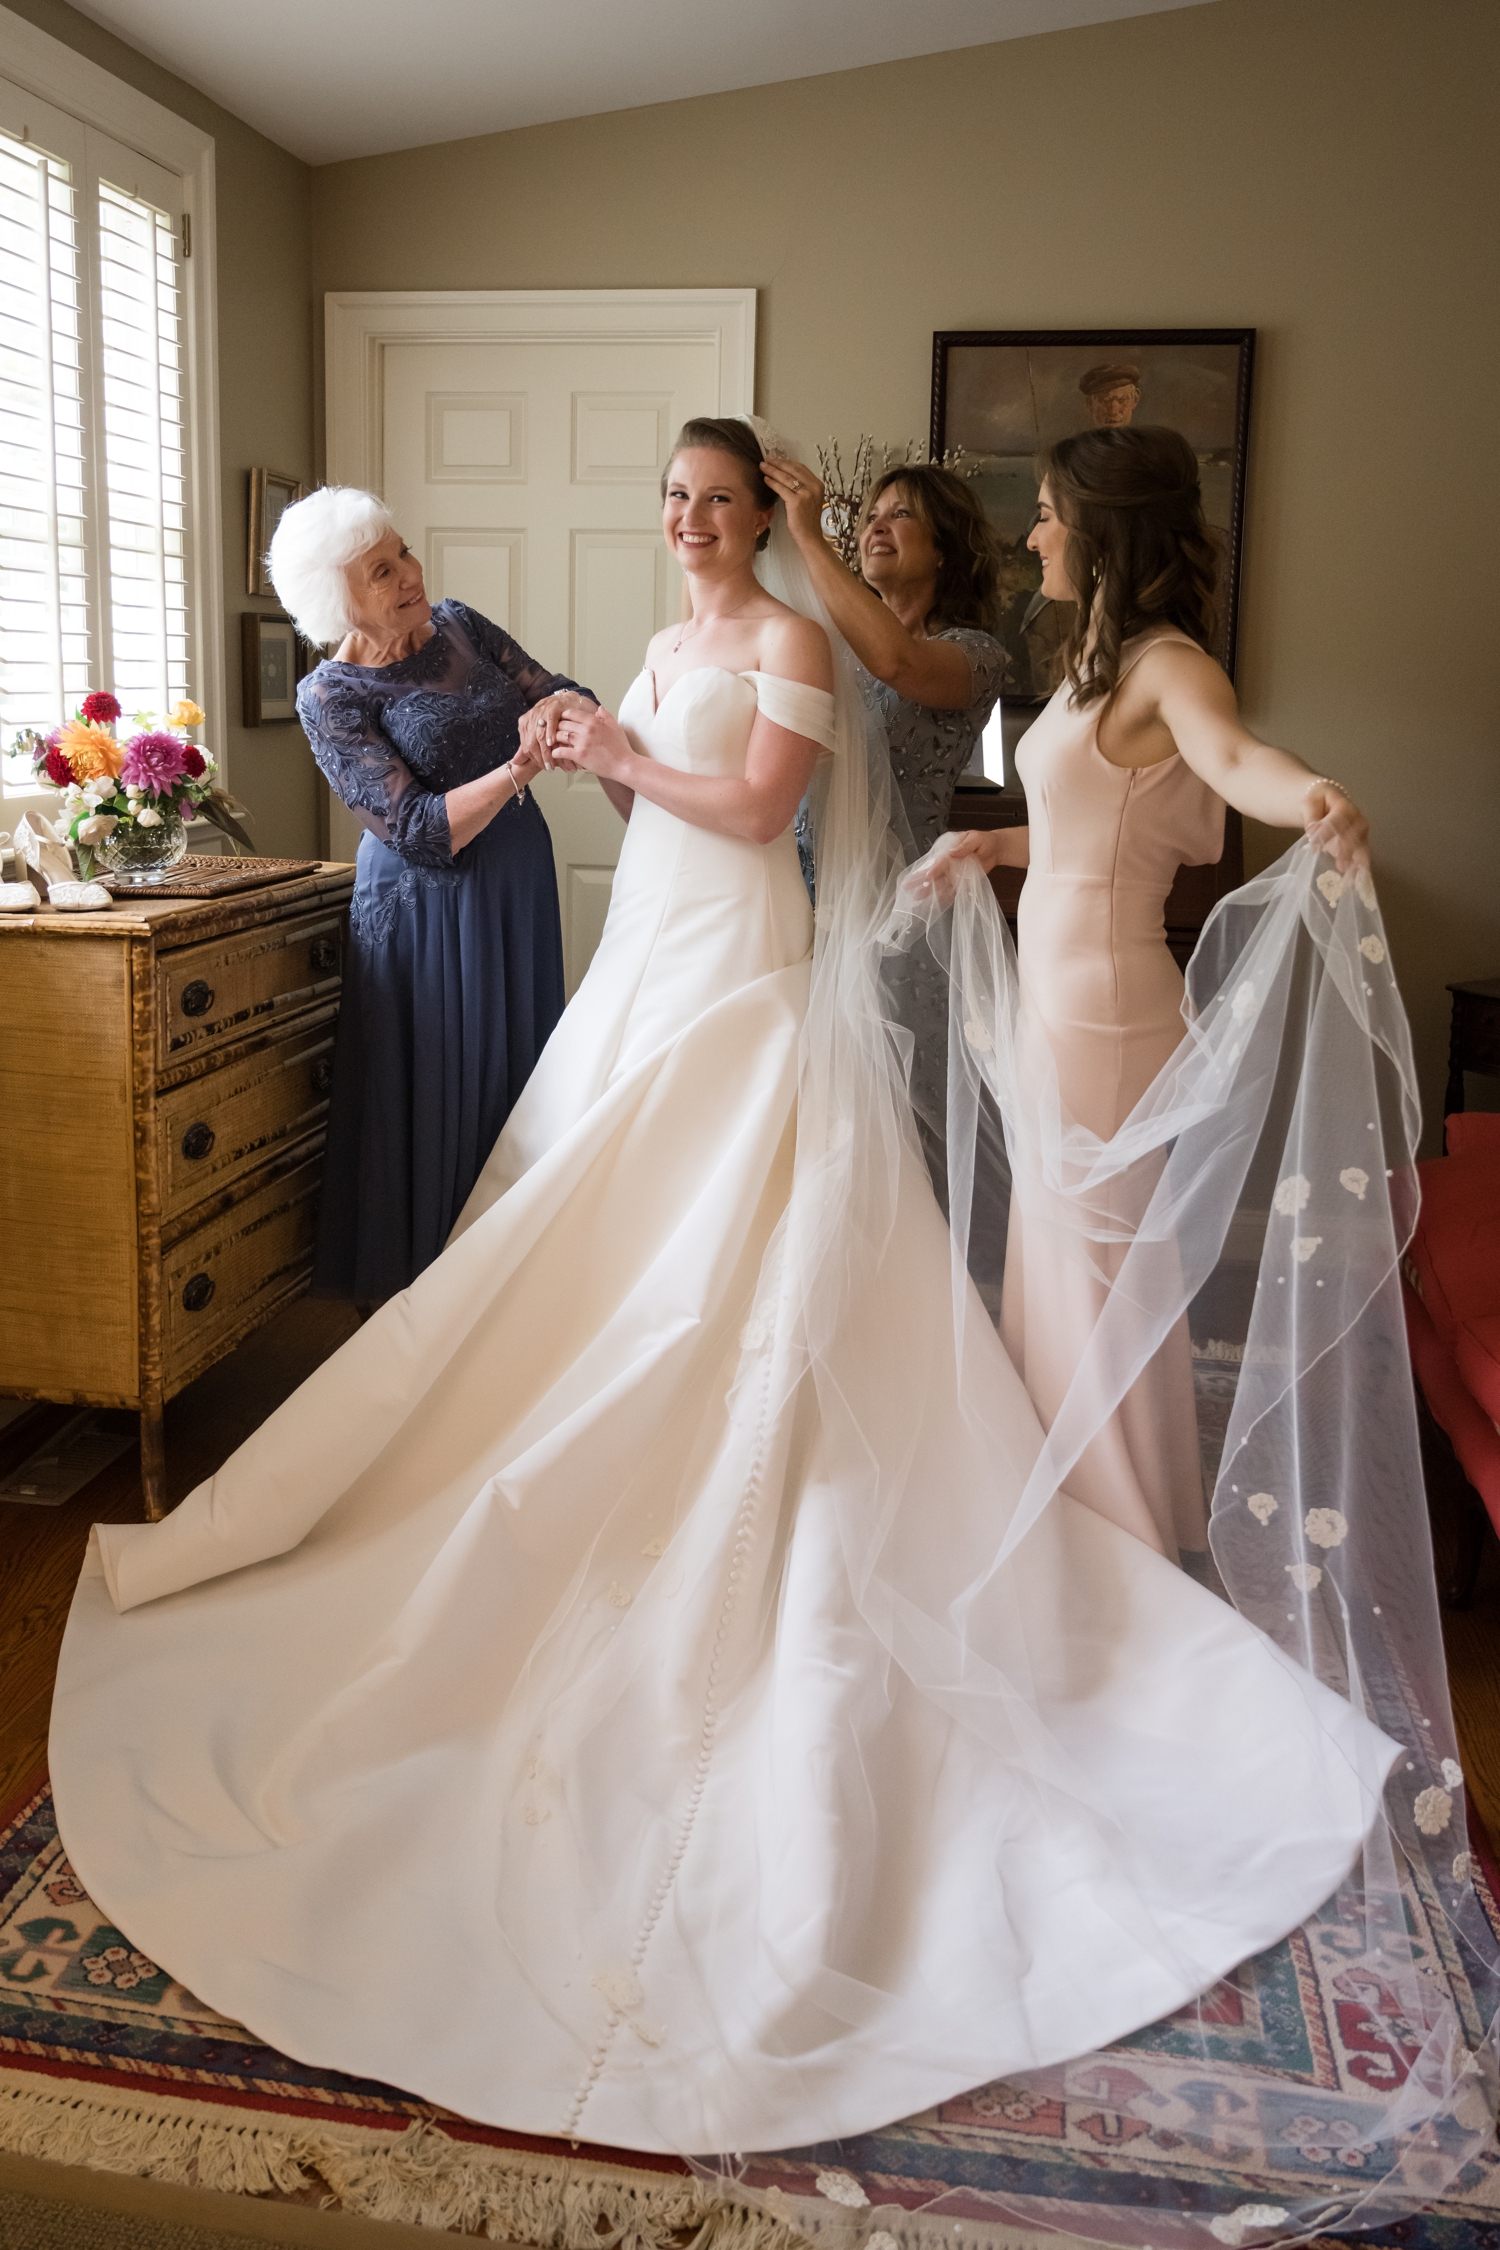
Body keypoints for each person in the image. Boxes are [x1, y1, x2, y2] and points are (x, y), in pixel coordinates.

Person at [50, 419, 1493, 2232]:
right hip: (652, 960)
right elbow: (626, 783)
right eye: (677, 502)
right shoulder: (655, 645)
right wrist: (590, 743)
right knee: (578, 1249)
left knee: (750, 1276)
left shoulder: (799, 648)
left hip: (745, 967)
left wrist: (615, 755)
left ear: (758, 517)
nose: (695, 526)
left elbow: (746, 815)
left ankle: (958, 1506)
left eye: (722, 503)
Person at [927, 425, 1369, 1554]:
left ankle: (1110, 1538)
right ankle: (1097, 1513)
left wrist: (1313, 791)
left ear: (1099, 527)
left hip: (1104, 1015)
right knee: (1066, 1274)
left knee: (1095, 1284)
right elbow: (1092, 829)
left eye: (1043, 514)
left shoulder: (1173, 665)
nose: (1031, 536)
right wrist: (993, 850)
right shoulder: (1099, 662)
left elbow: (1232, 762)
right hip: (1059, 1002)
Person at [269, 488, 594, 1301]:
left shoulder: (459, 622)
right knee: (446, 1081)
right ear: (336, 599)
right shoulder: (330, 696)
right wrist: (521, 767)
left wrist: (560, 706)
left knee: (520, 1073)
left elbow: (553, 686)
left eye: (403, 552)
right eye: (382, 570)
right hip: (430, 909)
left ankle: (516, 1276)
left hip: (516, 881)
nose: (410, 574)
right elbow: (415, 828)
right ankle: (434, 1292)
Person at [757, 455, 1004, 883]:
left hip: (902, 892)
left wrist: (810, 538)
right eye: (872, 517)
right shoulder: (826, 644)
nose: (877, 526)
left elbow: (897, 662)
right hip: (797, 886)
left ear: (944, 547)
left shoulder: (978, 655)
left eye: (900, 513)